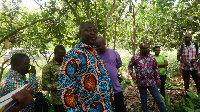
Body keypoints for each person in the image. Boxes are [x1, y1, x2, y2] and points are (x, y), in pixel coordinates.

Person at [57, 22, 114, 111]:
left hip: (105, 107)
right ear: (80, 33)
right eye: (88, 30)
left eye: (94, 31)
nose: (92, 33)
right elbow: (65, 87)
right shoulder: (74, 54)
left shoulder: (94, 53)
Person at [128, 43, 166, 112]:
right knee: (143, 100)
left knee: (158, 99)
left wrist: (158, 79)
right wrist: (132, 76)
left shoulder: (151, 57)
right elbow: (130, 66)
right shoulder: (135, 57)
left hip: (151, 81)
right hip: (141, 82)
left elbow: (155, 68)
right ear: (141, 49)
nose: (149, 49)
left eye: (149, 48)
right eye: (147, 48)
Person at [95, 36, 126, 112]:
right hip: (101, 91)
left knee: (120, 108)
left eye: (98, 46)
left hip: (115, 89)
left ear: (104, 43)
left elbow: (118, 66)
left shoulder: (114, 53)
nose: (97, 48)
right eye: (95, 46)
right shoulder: (93, 55)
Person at [42, 45, 66, 112]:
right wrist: (61, 85)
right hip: (58, 102)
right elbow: (44, 86)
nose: (63, 58)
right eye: (60, 56)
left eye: (64, 55)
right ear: (55, 54)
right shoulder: (48, 67)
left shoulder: (67, 64)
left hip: (71, 99)